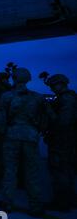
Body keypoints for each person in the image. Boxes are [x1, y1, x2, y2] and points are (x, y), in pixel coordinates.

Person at [0, 68, 46, 217]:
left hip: (12, 136)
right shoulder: (37, 97)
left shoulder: (7, 96)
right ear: (28, 79)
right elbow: (45, 119)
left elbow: (0, 119)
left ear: (14, 79)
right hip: (30, 136)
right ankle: (35, 205)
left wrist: (3, 132)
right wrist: (36, 131)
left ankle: (7, 202)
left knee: (10, 171)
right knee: (32, 172)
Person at [43, 74, 77, 212]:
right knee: (67, 170)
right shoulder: (67, 98)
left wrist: (48, 110)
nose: (52, 88)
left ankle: (61, 203)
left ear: (61, 84)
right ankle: (69, 200)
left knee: (60, 171)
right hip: (67, 140)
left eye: (53, 85)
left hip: (63, 141)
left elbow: (63, 122)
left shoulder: (67, 99)